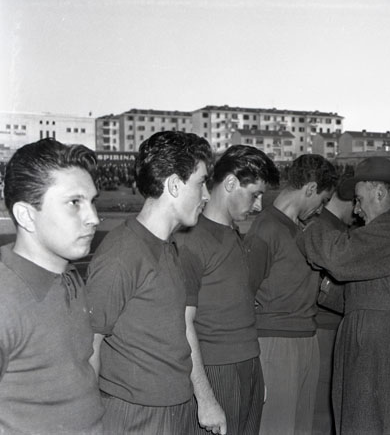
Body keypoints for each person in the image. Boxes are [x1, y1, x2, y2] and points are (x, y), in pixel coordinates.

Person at [297, 157, 390, 435]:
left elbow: (339, 257)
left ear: (379, 193)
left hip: (384, 341)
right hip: (380, 337)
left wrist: (311, 226)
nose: (356, 210)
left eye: (359, 199)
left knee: (379, 421)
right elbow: (360, 292)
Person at [86, 131, 214, 434]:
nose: (207, 195)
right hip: (136, 416)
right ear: (174, 185)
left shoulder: (167, 246)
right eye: (201, 183)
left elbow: (180, 330)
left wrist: (205, 399)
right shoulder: (122, 254)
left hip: (175, 407)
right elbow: (88, 346)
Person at [0, 139, 104, 433]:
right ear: (26, 215)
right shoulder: (5, 299)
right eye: (74, 203)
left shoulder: (69, 276)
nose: (94, 218)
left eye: (92, 201)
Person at [177, 145, 280, 435]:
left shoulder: (232, 234)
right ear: (231, 183)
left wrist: (255, 374)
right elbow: (183, 324)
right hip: (216, 370)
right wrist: (205, 398)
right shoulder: (191, 239)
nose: (258, 206)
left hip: (247, 366)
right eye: (255, 194)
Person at [244, 154, 338, 435]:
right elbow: (243, 295)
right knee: (276, 428)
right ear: (310, 188)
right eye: (322, 201)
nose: (321, 210)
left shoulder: (300, 229)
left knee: (301, 428)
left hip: (306, 339)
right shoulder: (265, 229)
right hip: (276, 342)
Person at [312, 186, 357, 435]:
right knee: (323, 408)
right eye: (357, 202)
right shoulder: (326, 228)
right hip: (325, 328)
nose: (358, 211)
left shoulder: (333, 227)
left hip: (333, 326)